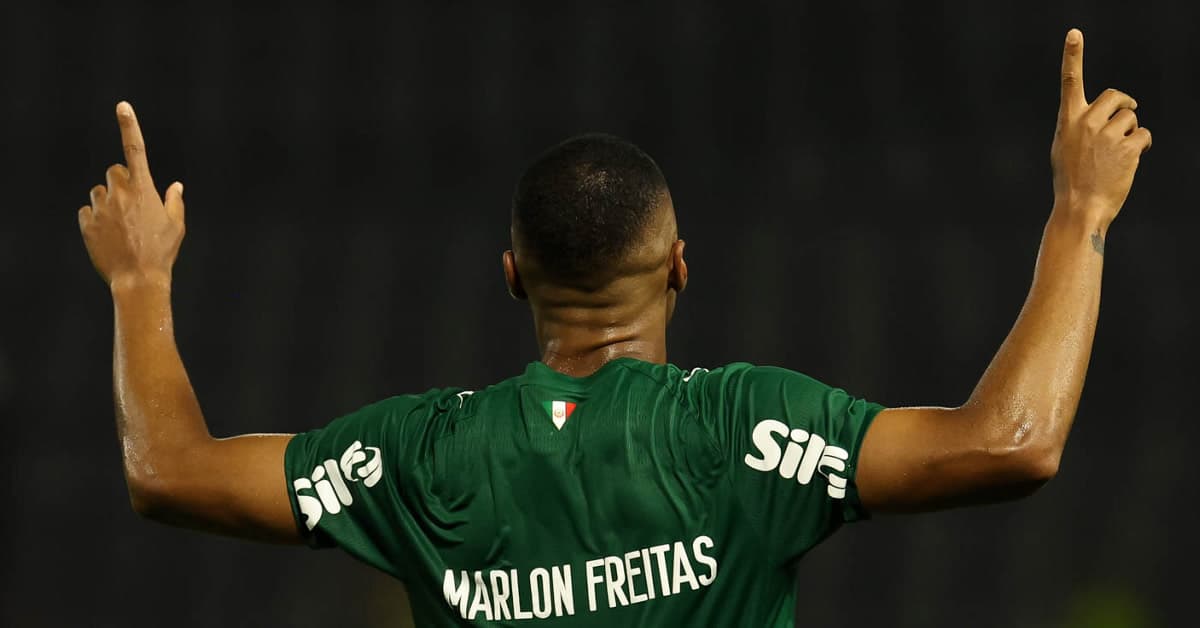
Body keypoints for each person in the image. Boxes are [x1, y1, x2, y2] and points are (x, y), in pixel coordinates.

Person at [77, 29, 1150, 626]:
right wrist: (1080, 212)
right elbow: (1013, 442)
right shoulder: (744, 430)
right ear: (681, 268)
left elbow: (167, 471)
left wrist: (138, 282)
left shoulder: (420, 457)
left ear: (510, 277)